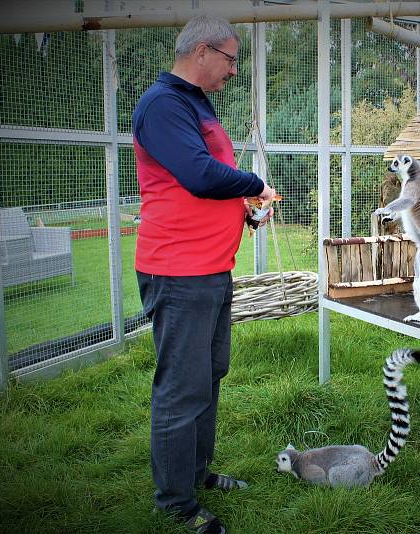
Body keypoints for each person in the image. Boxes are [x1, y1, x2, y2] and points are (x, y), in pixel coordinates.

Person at [132, 15, 276, 534]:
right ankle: (175, 502)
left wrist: (244, 209)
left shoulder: (197, 104)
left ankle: (196, 473)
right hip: (179, 271)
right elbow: (196, 174)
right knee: (181, 388)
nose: (233, 71)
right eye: (231, 59)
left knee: (209, 377)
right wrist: (254, 182)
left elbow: (205, 183)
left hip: (212, 267)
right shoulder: (162, 105)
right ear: (203, 51)